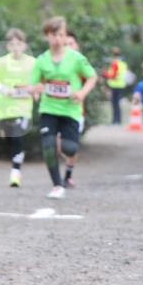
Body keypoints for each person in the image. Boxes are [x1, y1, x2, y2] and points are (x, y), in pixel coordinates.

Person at [30, 16, 98, 199]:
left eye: (61, 35)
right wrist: (35, 91)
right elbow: (34, 85)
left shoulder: (76, 58)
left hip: (71, 111)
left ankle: (64, 152)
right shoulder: (41, 60)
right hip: (49, 109)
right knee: (48, 147)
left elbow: (92, 77)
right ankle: (57, 185)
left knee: (70, 149)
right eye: (54, 35)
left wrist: (82, 93)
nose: (58, 39)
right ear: (47, 36)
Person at [0, 28, 36, 187]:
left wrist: (33, 90)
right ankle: (5, 135)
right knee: (11, 139)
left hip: (23, 108)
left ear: (24, 45)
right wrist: (5, 90)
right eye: (12, 44)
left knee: (18, 137)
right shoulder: (0, 63)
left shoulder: (33, 63)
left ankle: (15, 172)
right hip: (4, 110)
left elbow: (40, 81)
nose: (15, 47)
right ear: (7, 46)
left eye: (19, 44)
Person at [59, 31, 87, 187]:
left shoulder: (81, 64)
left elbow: (90, 79)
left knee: (71, 147)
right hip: (55, 111)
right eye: (65, 44)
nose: (68, 47)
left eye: (71, 44)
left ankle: (68, 175)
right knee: (57, 143)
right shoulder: (53, 62)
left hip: (75, 112)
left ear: (77, 46)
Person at [103, 47, 128, 124]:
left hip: (115, 86)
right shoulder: (123, 64)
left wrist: (105, 73)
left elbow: (112, 75)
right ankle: (117, 120)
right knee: (116, 104)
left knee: (114, 104)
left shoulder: (115, 64)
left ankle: (116, 120)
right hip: (120, 85)